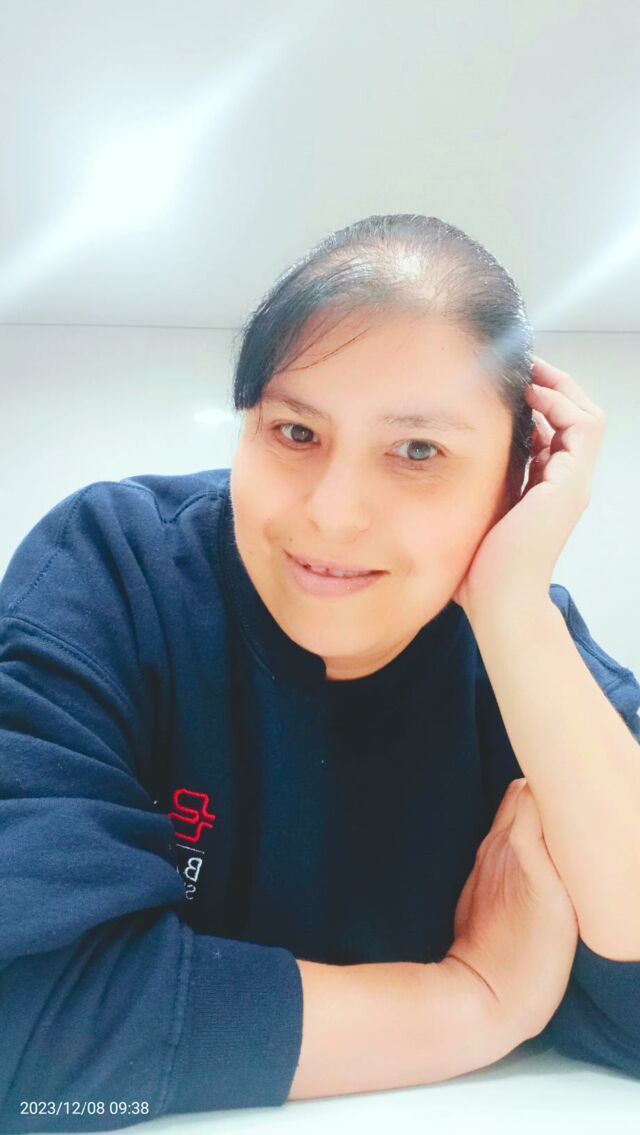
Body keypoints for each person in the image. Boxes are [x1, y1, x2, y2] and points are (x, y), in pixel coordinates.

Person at [1, 215, 639, 1131]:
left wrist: (514, 613)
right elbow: (24, 1033)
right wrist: (469, 1001)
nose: (333, 514)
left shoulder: (531, 656)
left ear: (517, 479)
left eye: (417, 451)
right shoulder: (115, 569)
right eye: (296, 431)